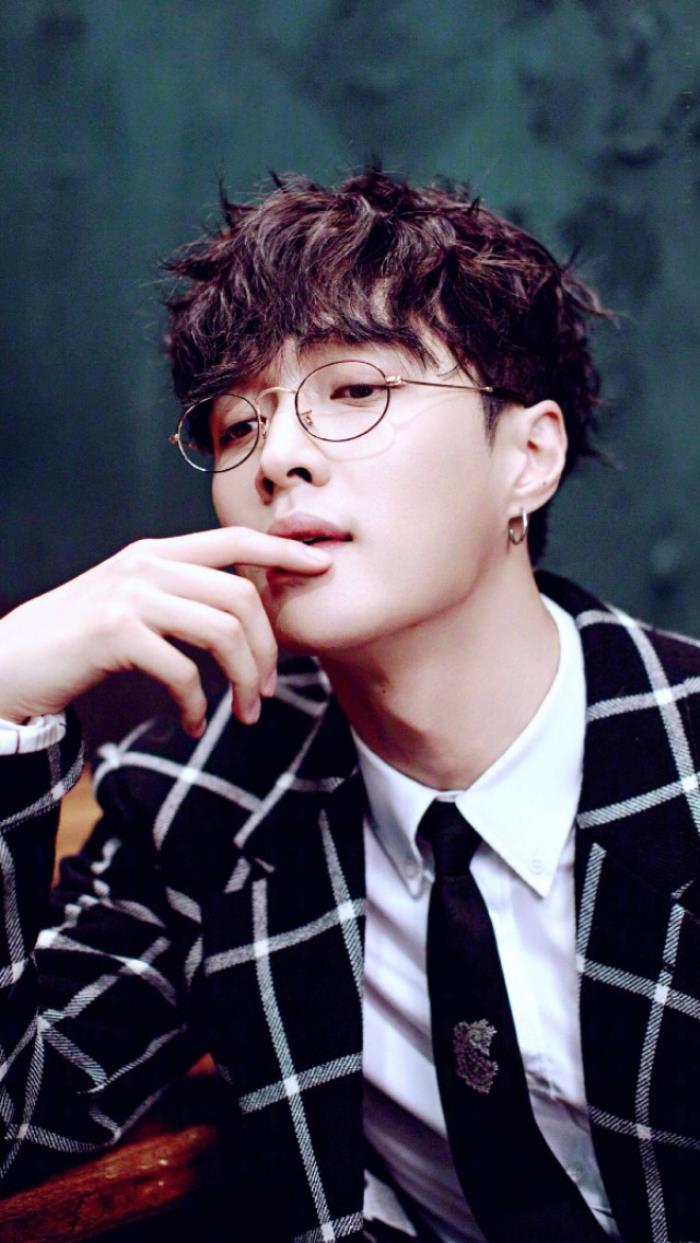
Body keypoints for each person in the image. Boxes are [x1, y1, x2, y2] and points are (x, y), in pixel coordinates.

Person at [0, 171, 698, 1243]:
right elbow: (18, 1117)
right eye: (237, 422)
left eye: (356, 390)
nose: (278, 456)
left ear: (528, 456)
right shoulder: (198, 808)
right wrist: (5, 687)